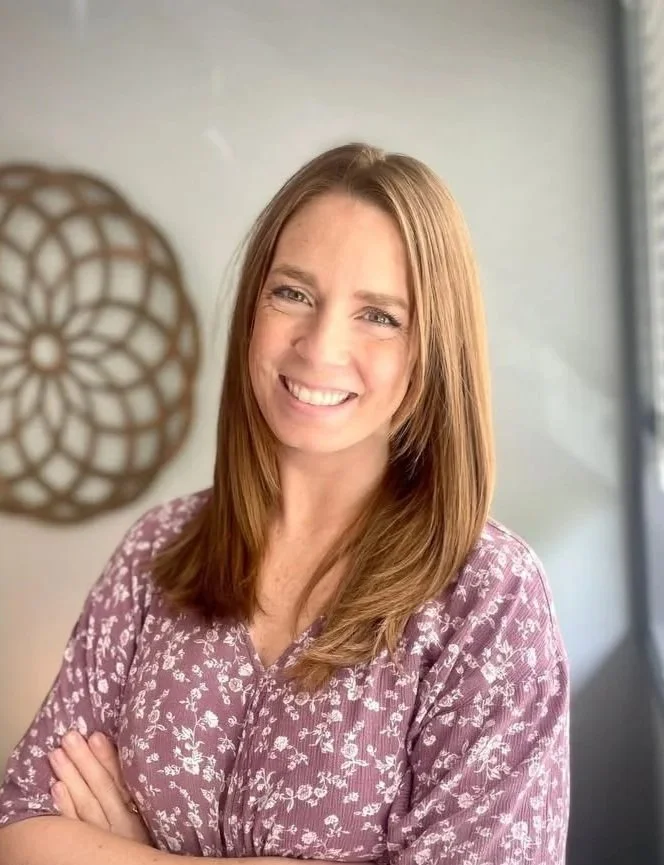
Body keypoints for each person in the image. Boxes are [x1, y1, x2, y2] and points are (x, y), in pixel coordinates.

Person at [0, 142, 570, 864]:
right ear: (251, 310)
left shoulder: (491, 600)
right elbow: (20, 825)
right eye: (293, 293)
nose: (320, 345)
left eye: (380, 315)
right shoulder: (158, 549)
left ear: (431, 352)